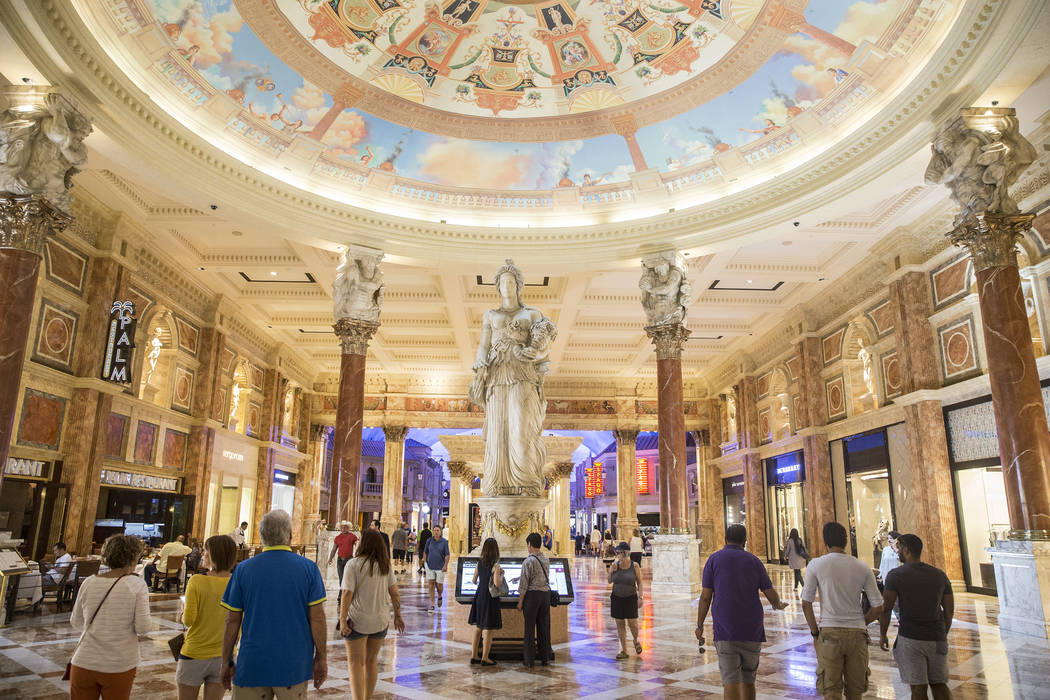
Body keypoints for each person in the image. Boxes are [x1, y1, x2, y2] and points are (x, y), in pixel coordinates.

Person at [220, 510, 328, 698]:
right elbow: (317, 618)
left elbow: (232, 620)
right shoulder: (309, 569)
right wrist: (321, 656)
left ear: (262, 536)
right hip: (293, 664)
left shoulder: (243, 570)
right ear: (290, 535)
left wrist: (225, 660)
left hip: (252, 663)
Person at [695, 525, 787, 699]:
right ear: (745, 541)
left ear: (725, 539)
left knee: (730, 680)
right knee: (748, 679)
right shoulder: (754, 561)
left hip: (725, 629)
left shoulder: (714, 560)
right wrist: (778, 604)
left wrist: (699, 625)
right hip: (752, 629)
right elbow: (769, 592)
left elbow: (706, 597)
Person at [802, 522, 883, 700]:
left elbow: (806, 603)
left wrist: (815, 632)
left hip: (830, 632)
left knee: (831, 692)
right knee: (855, 693)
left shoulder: (816, 565)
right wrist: (863, 622)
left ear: (826, 542)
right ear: (846, 542)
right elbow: (878, 607)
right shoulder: (862, 567)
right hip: (857, 634)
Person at [69, 535, 151, 700]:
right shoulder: (136, 585)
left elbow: (76, 622)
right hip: (118, 663)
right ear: (133, 557)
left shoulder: (88, 582)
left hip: (84, 661)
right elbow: (143, 628)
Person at [878, 534, 954, 700]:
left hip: (910, 638)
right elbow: (949, 612)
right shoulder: (939, 575)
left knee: (918, 688)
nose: (897, 552)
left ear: (906, 550)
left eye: (899, 548)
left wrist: (883, 634)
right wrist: (942, 633)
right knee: (940, 684)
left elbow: (886, 608)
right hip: (937, 637)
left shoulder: (896, 575)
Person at [340, 530, 405, 700]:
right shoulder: (385, 566)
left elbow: (347, 594)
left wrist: (342, 621)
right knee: (371, 661)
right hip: (380, 621)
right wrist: (398, 615)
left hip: (358, 620)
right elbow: (395, 594)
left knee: (355, 663)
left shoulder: (353, 565)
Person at [177, 534, 236, 700]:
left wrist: (184, 608)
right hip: (224, 655)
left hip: (195, 652)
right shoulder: (237, 583)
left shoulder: (197, 581)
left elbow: (188, 620)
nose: (203, 555)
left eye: (205, 551)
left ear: (213, 555)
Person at [517, 532, 552, 668]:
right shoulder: (546, 559)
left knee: (529, 628)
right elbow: (539, 576)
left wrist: (520, 602)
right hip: (545, 595)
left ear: (529, 544)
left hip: (532, 597)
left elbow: (524, 585)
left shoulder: (528, 561)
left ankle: (529, 659)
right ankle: (545, 657)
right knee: (544, 627)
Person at [468, 538, 504, 666]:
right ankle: (485, 657)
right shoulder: (496, 565)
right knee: (488, 628)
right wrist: (500, 575)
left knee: (478, 627)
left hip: (479, 596)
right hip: (490, 597)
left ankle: (474, 656)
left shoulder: (479, 562)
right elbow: (497, 583)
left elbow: (473, 580)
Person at [608, 542, 644, 659]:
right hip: (617, 597)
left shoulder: (635, 566)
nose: (617, 555)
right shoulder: (615, 565)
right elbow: (609, 581)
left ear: (626, 553)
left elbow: (640, 582)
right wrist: (612, 570)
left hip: (630, 597)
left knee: (632, 623)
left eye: (619, 552)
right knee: (620, 624)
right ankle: (624, 650)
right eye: (617, 553)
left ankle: (635, 639)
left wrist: (641, 597)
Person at [328, 521, 359, 614]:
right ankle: (341, 597)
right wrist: (330, 558)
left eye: (345, 527)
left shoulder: (352, 536)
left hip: (349, 560)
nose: (343, 529)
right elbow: (334, 549)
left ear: (348, 528)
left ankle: (345, 597)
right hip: (340, 561)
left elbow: (357, 544)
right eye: (342, 527)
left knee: (347, 579)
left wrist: (357, 552)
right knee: (341, 579)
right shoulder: (338, 538)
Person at [423, 525, 450, 612]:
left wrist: (445, 565)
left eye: (438, 530)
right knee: (431, 584)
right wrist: (425, 563)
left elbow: (447, 555)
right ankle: (432, 604)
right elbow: (425, 552)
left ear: (440, 531)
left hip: (440, 567)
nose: (436, 532)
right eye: (434, 530)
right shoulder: (429, 540)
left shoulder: (444, 542)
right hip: (430, 566)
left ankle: (439, 596)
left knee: (439, 585)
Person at [784, 528, 808, 592]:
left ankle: (804, 585)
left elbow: (788, 550)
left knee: (797, 573)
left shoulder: (790, 541)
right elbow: (803, 548)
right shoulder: (799, 540)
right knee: (797, 572)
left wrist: (785, 556)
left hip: (794, 559)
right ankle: (796, 586)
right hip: (800, 558)